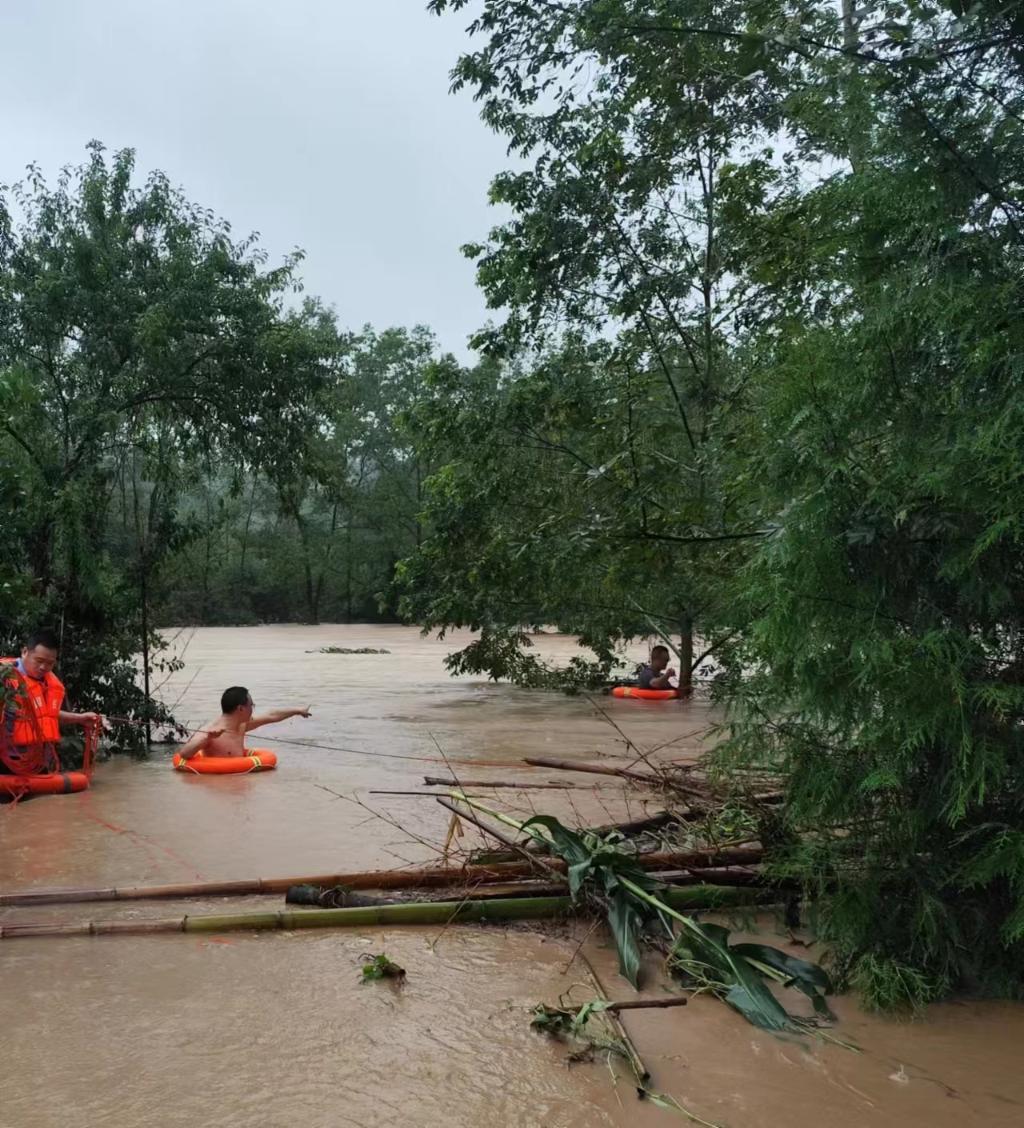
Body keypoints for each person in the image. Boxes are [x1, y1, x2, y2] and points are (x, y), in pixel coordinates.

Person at [0, 628, 103, 775]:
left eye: (50, 663)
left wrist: (80, 718)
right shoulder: (4, 677)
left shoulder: (48, 683)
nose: (44, 667)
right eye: (39, 661)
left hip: (37, 761)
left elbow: (47, 715)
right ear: (24, 652)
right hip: (7, 762)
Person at [175, 686, 310, 760]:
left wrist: (298, 710)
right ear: (241, 708)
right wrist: (207, 738)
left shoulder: (241, 725)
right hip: (221, 791)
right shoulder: (211, 731)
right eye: (252, 705)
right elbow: (184, 754)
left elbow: (271, 715)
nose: (253, 709)